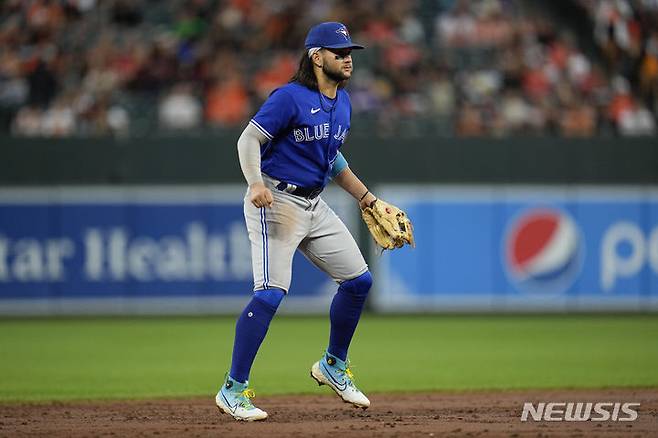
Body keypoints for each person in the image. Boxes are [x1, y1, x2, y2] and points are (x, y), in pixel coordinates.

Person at [215, 22, 378, 421]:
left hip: (314, 204)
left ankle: (332, 365)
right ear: (316, 57)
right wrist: (254, 182)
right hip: (275, 200)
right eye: (338, 51)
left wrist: (367, 198)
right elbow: (248, 139)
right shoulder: (289, 98)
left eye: (349, 51)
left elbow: (332, 159)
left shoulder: (343, 102)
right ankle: (232, 390)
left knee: (359, 282)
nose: (347, 57)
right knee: (270, 292)